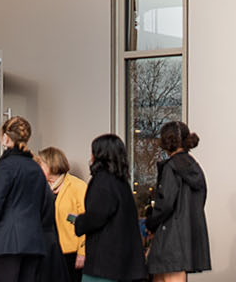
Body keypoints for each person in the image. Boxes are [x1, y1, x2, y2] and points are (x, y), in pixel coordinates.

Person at [0, 116, 54, 281]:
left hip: (6, 242)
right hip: (33, 240)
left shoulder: (5, 166)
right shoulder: (36, 167)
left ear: (5, 138)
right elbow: (45, 205)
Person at [73, 133, 147, 282]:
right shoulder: (122, 183)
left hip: (104, 263)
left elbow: (97, 216)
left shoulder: (102, 181)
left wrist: (80, 222)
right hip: (124, 263)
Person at [145, 121, 211, 281]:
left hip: (169, 238)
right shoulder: (194, 167)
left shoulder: (171, 167)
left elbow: (165, 202)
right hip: (188, 235)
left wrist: (150, 223)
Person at [37, 147, 87, 282]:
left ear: (51, 165)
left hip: (70, 253)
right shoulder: (40, 188)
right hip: (48, 252)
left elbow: (86, 222)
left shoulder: (77, 186)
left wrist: (82, 253)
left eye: (40, 164)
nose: (37, 167)